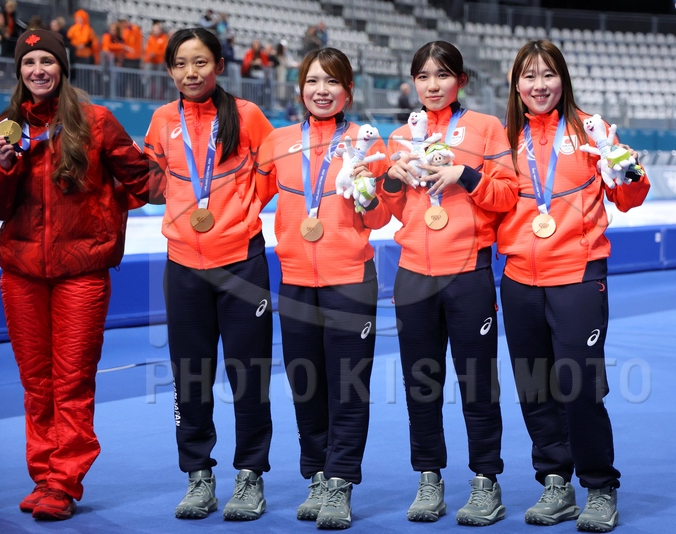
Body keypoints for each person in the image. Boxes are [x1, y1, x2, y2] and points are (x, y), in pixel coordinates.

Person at [0, 29, 164, 521]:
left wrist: (194, 174)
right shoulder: (5, 127)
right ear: (19, 72)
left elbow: (142, 183)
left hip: (82, 272)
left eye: (47, 61)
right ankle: (43, 475)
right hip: (21, 273)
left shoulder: (96, 121)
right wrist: (1, 168)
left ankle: (63, 482)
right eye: (29, 63)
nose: (38, 70)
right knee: (35, 383)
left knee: (71, 379)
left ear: (62, 68)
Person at [497, 39, 650, 533]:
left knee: (579, 386)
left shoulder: (592, 130)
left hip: (579, 275)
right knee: (533, 387)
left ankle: (600, 486)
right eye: (529, 76)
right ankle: (555, 483)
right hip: (518, 279)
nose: (539, 85)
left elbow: (629, 197)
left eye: (548, 74)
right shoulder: (504, 138)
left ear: (563, 79)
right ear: (515, 85)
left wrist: (625, 167)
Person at [381, 40, 518, 526]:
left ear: (461, 79)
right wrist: (390, 178)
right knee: (421, 384)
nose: (432, 85)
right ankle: (429, 477)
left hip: (468, 273)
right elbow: (386, 210)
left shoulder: (485, 128)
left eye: (442, 75)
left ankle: (485, 479)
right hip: (413, 275)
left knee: (477, 383)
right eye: (422, 76)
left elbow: (507, 196)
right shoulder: (400, 136)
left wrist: (466, 173)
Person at [256, 46, 392, 530]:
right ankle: (316, 474)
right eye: (313, 81)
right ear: (300, 89)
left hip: (350, 280)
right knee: (306, 385)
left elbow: (381, 216)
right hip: (295, 280)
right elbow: (249, 197)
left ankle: (340, 481)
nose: (321, 90)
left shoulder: (367, 143)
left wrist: (366, 192)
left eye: (332, 82)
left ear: (348, 91)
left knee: (348, 387)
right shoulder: (278, 142)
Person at [144, 27, 275, 521]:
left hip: (241, 262)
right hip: (183, 266)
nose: (190, 73)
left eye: (200, 62)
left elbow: (271, 176)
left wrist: (240, 211)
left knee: (249, 375)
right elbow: (151, 182)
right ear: (170, 70)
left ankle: (250, 475)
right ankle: (198, 474)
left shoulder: (247, 115)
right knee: (190, 377)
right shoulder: (163, 119)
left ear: (219, 65)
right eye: (180, 64)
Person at [143, 20, 168, 100]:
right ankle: (147, 96)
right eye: (154, 29)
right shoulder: (150, 38)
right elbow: (147, 49)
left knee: (158, 79)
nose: (155, 31)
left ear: (160, 30)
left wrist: (155, 53)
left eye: (157, 29)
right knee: (148, 78)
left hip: (159, 61)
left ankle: (157, 96)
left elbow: (164, 50)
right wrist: (150, 55)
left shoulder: (163, 38)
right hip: (150, 61)